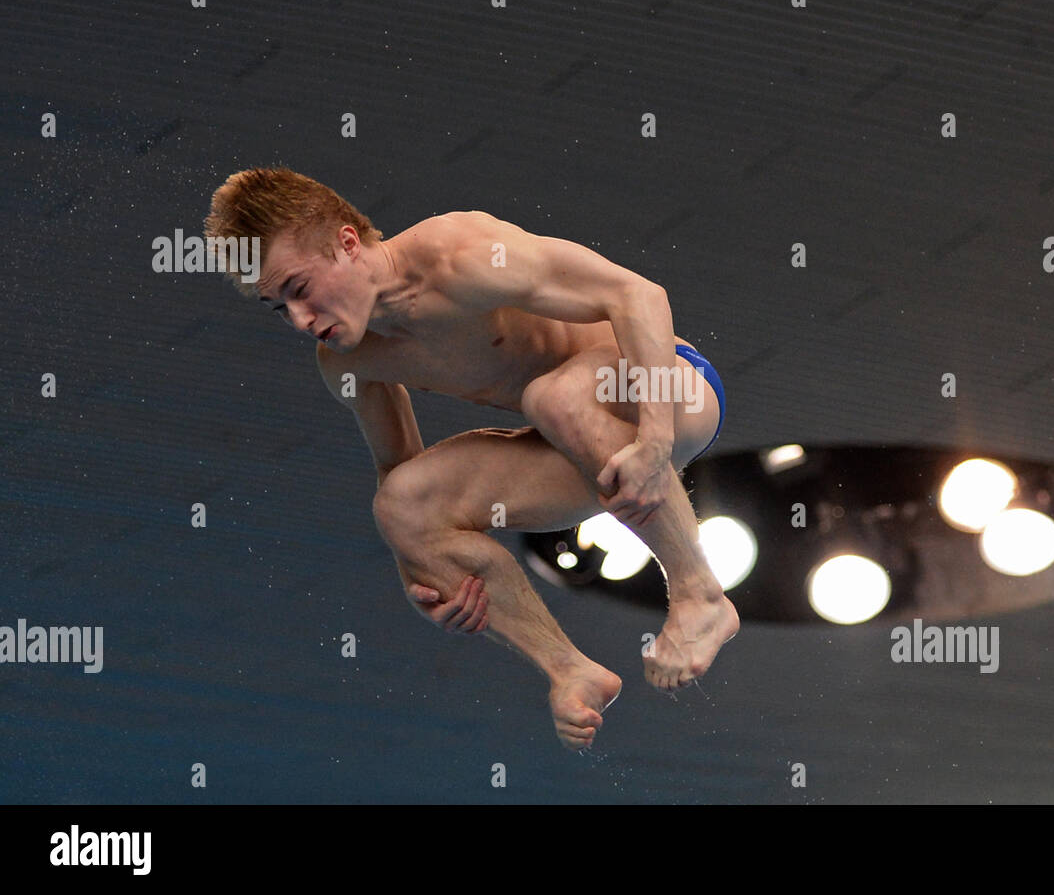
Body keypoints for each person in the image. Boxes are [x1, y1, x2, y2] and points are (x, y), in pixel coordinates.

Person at [205, 168, 738, 750]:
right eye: (278, 307)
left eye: (300, 288)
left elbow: (638, 295)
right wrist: (428, 576)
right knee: (402, 507)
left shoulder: (461, 255)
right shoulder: (349, 365)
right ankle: (568, 670)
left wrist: (656, 438)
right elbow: (399, 474)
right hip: (581, 450)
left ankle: (700, 595)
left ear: (346, 243)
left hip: (673, 391)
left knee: (551, 396)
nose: (302, 320)